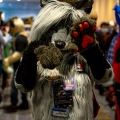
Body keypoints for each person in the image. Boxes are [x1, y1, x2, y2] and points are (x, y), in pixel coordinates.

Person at [15, 0, 113, 120]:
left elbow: (104, 77)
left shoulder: (81, 56)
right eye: (53, 29)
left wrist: (91, 51)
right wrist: (29, 56)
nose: (59, 39)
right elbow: (23, 85)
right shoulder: (39, 55)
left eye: (68, 29)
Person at [3, 17, 29, 112]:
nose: (9, 29)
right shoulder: (21, 37)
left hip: (20, 67)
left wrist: (8, 60)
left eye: (10, 26)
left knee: (14, 87)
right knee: (21, 86)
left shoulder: (20, 39)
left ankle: (14, 105)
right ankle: (24, 103)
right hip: (21, 66)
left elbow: (18, 53)